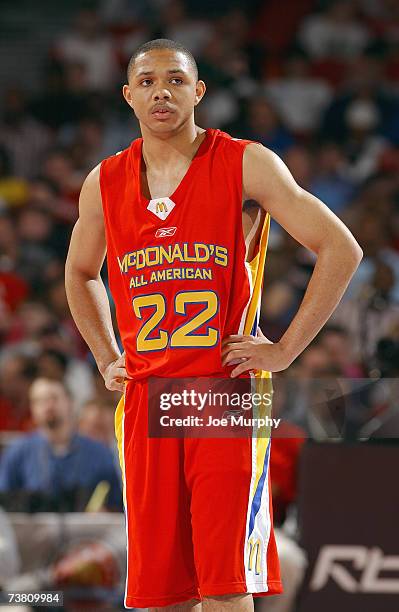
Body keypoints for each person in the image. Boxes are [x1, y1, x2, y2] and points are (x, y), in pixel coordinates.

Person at [65, 38, 362, 611]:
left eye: (175, 80)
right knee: (158, 595)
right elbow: (80, 274)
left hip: (223, 394)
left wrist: (285, 350)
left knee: (225, 588)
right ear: (128, 96)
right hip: (147, 398)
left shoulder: (246, 161)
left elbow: (340, 248)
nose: (161, 92)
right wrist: (105, 356)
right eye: (147, 81)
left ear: (198, 91)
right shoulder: (103, 182)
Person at [0, 377, 122, 512]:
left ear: (70, 402)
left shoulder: (99, 453)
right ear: (32, 408)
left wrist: (106, 511)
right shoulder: (18, 452)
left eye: (54, 398)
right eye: (39, 401)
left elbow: (117, 503)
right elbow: (4, 502)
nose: (48, 406)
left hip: (87, 531)